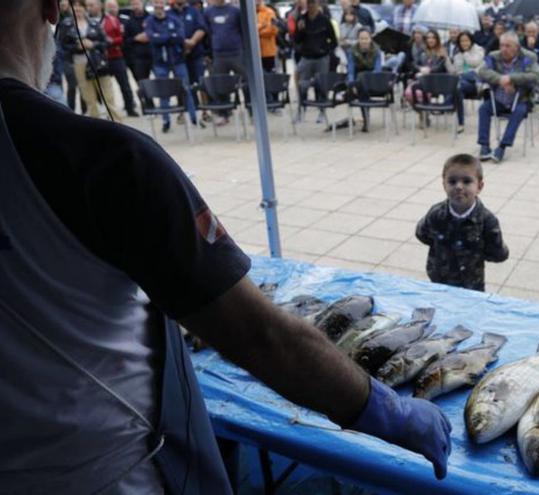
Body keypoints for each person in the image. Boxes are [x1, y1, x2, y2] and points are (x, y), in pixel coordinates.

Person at [0, 0, 452, 490]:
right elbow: (260, 335)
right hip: (101, 471)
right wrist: (386, 410)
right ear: (50, 8)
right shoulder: (105, 160)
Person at [416, 154, 509, 291]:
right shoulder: (436, 214)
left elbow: (498, 253)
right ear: (444, 185)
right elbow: (422, 233)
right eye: (452, 181)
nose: (459, 187)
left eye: (466, 181)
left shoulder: (487, 220)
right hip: (439, 282)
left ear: (479, 186)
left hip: (471, 286)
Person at [477, 32, 539, 163]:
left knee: (519, 112)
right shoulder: (493, 56)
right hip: (498, 98)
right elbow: (482, 71)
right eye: (502, 45)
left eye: (508, 46)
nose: (503, 49)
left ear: (516, 47)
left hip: (522, 98)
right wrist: (500, 79)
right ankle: (484, 146)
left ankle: (502, 147)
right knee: (483, 109)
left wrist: (512, 79)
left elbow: (535, 76)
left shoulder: (528, 57)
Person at [59, 0, 122, 120]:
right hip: (79, 63)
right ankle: (97, 127)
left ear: (85, 9)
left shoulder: (94, 23)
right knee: (89, 98)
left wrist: (93, 44)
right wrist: (77, 46)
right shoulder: (66, 25)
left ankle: (117, 124)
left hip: (98, 62)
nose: (77, 12)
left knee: (108, 96)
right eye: (75, 9)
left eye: (80, 9)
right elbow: (63, 46)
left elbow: (105, 43)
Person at [145, 0, 198, 132]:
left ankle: (193, 117)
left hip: (177, 60)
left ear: (164, 6)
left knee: (186, 89)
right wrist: (169, 36)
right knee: (164, 93)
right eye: (156, 5)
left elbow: (180, 37)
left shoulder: (174, 19)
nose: (159, 7)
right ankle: (166, 121)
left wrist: (163, 37)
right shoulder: (149, 21)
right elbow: (152, 38)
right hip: (160, 63)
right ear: (153, 7)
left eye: (160, 5)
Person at [294, 0, 337, 122]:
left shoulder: (325, 20)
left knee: (322, 86)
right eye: (309, 3)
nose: (311, 6)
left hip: (321, 58)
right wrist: (300, 30)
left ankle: (322, 112)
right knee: (302, 85)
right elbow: (296, 40)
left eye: (313, 3)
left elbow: (333, 41)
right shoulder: (302, 19)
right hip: (306, 57)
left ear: (318, 5)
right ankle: (301, 111)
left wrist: (326, 50)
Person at [169, 0, 208, 125]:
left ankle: (205, 112)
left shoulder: (194, 11)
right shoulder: (168, 14)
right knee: (181, 86)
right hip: (178, 57)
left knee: (200, 84)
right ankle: (182, 112)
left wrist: (192, 42)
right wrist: (182, 44)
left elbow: (202, 29)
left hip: (196, 54)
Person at [101, 0, 139, 116]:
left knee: (125, 85)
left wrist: (114, 41)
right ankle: (109, 110)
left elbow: (126, 36)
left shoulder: (124, 19)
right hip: (107, 58)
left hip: (123, 56)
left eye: (114, 6)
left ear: (117, 7)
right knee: (106, 87)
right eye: (109, 7)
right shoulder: (102, 21)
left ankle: (130, 107)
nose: (112, 9)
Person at [346, 28, 383, 132]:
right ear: (358, 39)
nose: (364, 41)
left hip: (372, 78)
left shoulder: (376, 51)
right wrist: (352, 83)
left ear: (370, 39)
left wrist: (366, 80)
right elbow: (350, 70)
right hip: (357, 78)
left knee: (363, 87)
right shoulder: (352, 51)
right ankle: (364, 117)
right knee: (356, 86)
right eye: (361, 38)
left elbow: (377, 70)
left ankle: (365, 117)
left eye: (366, 38)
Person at [451, 31, 484, 132]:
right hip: (463, 84)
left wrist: (465, 53)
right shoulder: (457, 54)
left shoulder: (479, 50)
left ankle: (447, 102)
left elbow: (474, 63)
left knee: (463, 78)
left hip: (475, 83)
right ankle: (461, 123)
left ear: (471, 41)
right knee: (458, 89)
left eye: (466, 40)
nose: (464, 43)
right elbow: (455, 71)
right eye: (462, 41)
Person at [205, 0, 246, 79]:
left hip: (236, 52)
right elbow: (207, 33)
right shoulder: (207, 12)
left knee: (245, 80)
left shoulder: (235, 11)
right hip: (218, 54)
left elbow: (242, 30)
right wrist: (207, 53)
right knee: (220, 83)